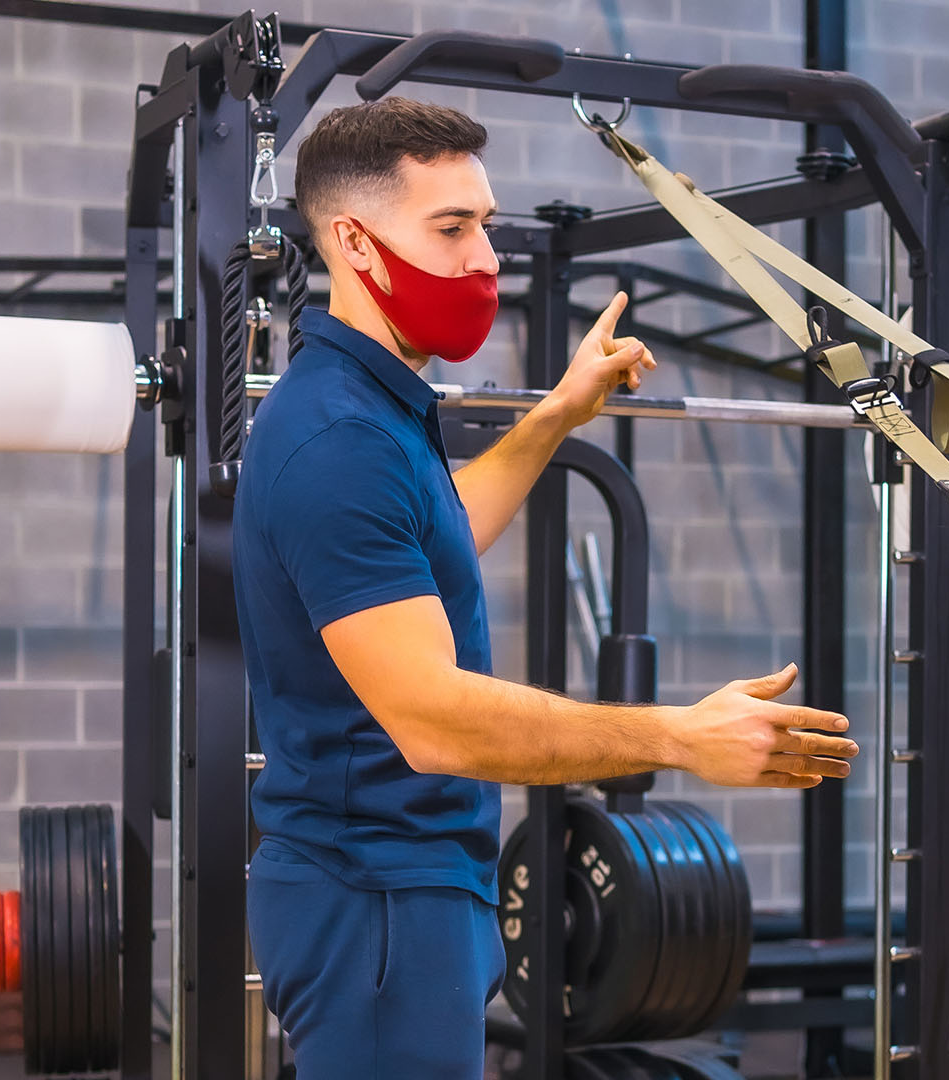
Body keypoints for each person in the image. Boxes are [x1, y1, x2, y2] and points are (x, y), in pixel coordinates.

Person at [231, 98, 859, 1079]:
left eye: (485, 223)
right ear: (355, 241)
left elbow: (438, 541)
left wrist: (556, 416)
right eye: (452, 229)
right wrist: (676, 737)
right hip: (377, 906)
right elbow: (433, 720)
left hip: (415, 889)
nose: (486, 258)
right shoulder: (340, 440)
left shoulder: (379, 405)